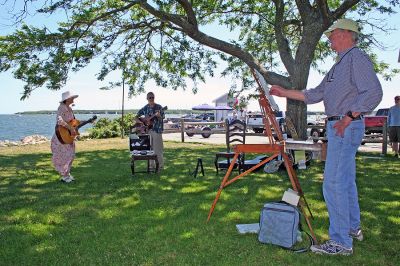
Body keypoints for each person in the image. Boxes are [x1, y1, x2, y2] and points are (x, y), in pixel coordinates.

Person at [270, 18, 382, 255]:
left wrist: (348, 117)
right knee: (346, 181)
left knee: (333, 184)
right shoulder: (339, 65)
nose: (329, 38)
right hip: (340, 125)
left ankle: (340, 242)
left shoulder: (356, 58)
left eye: (332, 34)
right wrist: (283, 92)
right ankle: (351, 228)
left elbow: (374, 92)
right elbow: (315, 94)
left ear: (344, 34)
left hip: (344, 125)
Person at [51, 91, 79, 183]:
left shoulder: (70, 109)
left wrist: (86, 122)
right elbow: (60, 121)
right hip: (61, 136)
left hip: (68, 136)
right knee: (63, 156)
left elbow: (73, 122)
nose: (73, 99)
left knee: (70, 155)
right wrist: (70, 128)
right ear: (67, 99)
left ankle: (67, 174)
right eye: (72, 97)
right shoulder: (61, 108)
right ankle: (64, 176)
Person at [136, 92, 165, 170]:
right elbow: (136, 117)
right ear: (147, 98)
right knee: (149, 149)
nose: (151, 99)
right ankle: (151, 166)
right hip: (148, 131)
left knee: (158, 149)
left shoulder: (159, 107)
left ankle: (160, 166)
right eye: (150, 97)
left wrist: (159, 116)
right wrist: (142, 122)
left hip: (157, 130)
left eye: (153, 97)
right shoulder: (145, 108)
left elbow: (162, 117)